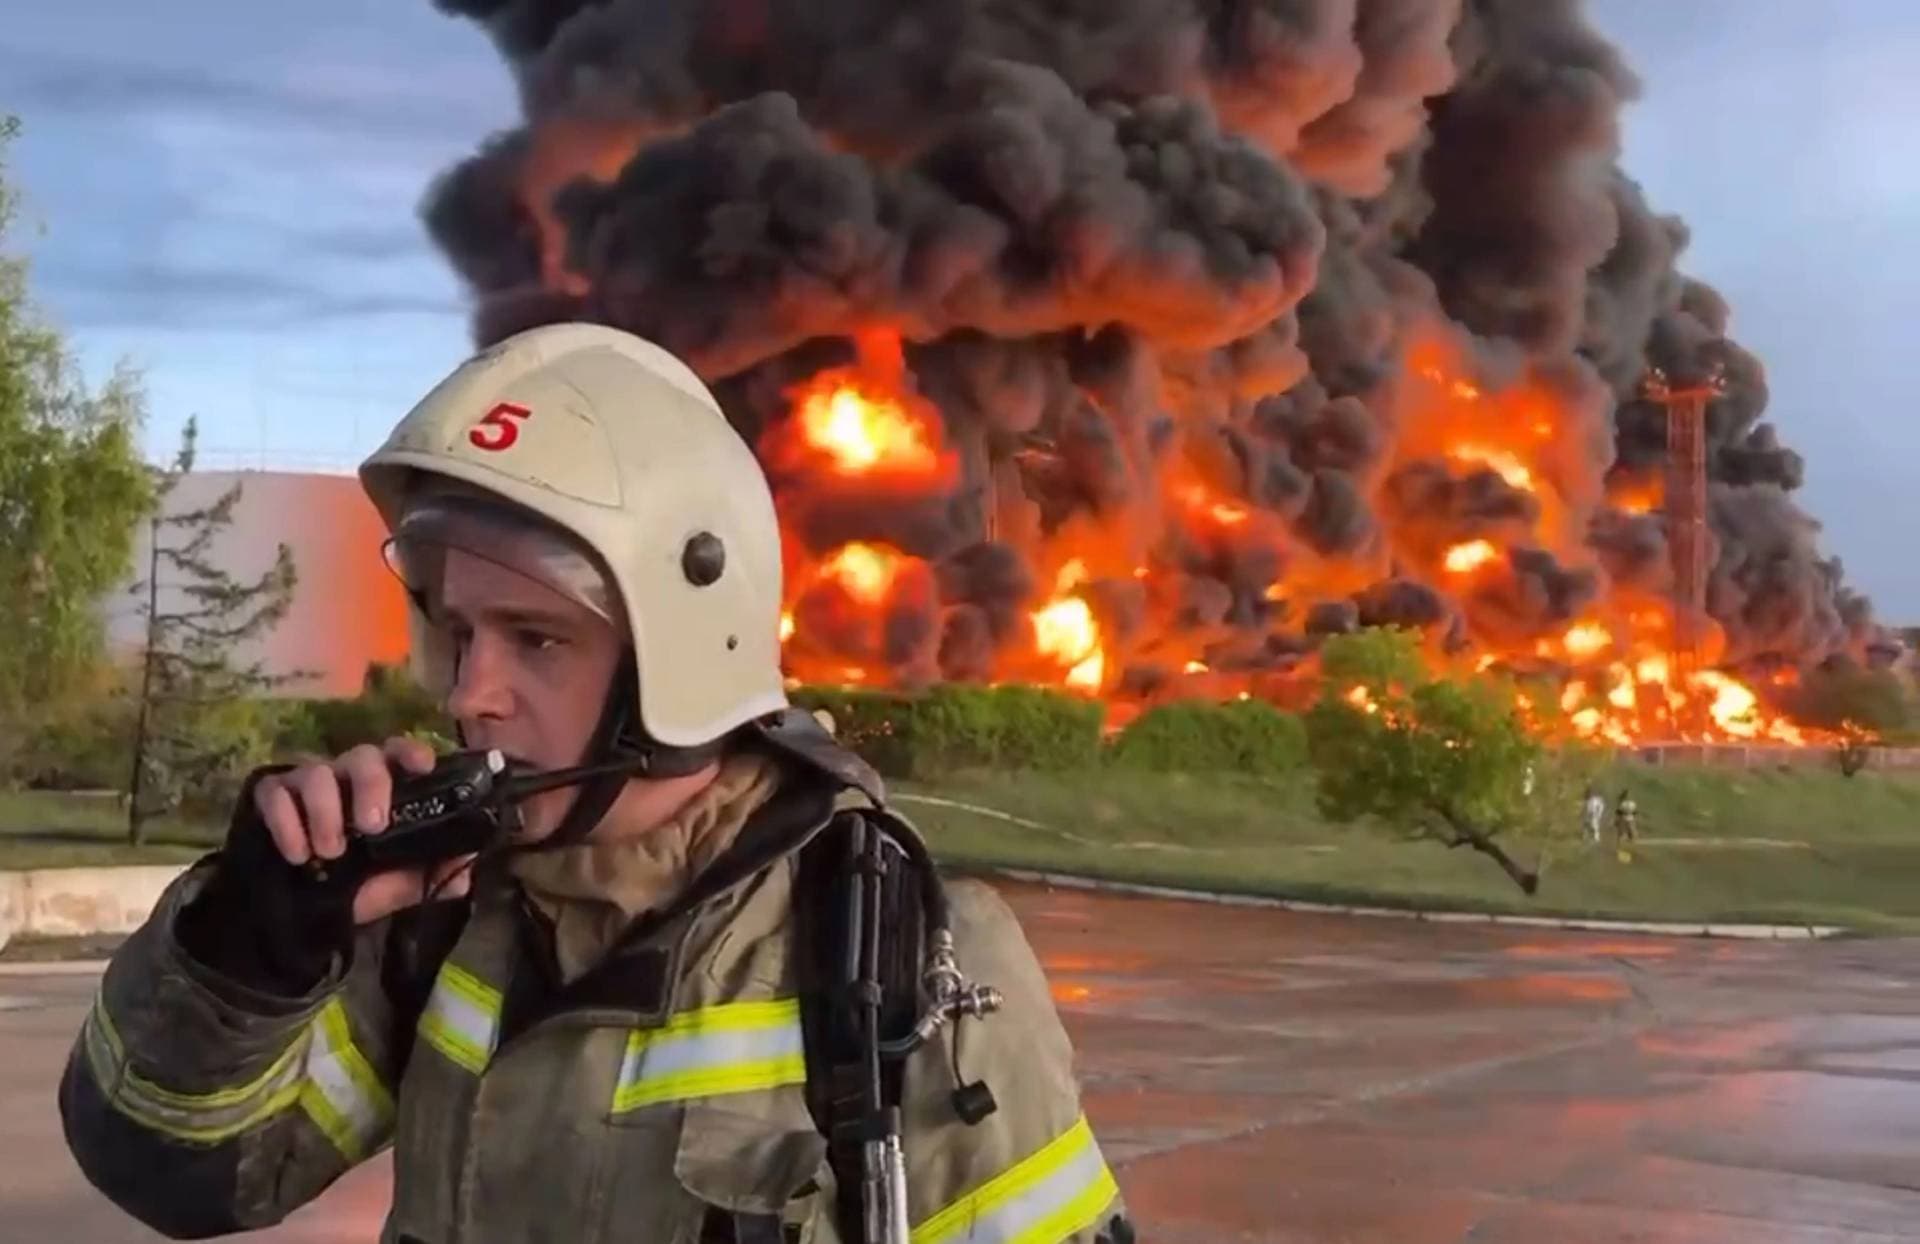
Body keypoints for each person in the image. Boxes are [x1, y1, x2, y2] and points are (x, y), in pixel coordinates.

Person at [59, 323, 1132, 1244]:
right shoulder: (442, 916)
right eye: (460, 628)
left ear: (682, 650)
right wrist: (246, 955)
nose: (474, 691)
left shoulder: (896, 952)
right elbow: (177, 1172)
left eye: (535, 638)